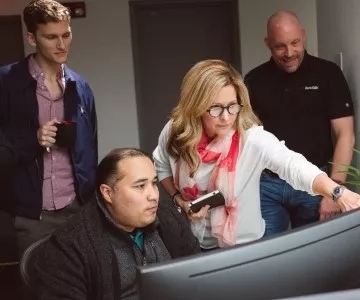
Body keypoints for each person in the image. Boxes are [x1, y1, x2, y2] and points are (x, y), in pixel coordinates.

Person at [153, 59, 360, 250]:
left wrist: (337, 192)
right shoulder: (175, 132)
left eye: (232, 106)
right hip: (192, 243)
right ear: (195, 107)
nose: (226, 117)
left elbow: (293, 165)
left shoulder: (251, 139)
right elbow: (161, 165)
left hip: (243, 246)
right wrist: (179, 198)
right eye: (215, 108)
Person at [28, 148, 200, 300]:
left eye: (153, 183)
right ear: (108, 193)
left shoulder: (170, 218)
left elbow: (200, 275)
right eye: (140, 186)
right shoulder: (68, 246)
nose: (153, 195)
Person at [244, 10, 355, 236]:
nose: (289, 53)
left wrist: (333, 190)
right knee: (263, 254)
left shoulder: (328, 74)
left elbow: (346, 134)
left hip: (315, 182)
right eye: (280, 46)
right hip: (268, 185)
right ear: (267, 44)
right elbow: (245, 138)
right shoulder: (254, 80)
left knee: (315, 256)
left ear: (303, 36)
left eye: (295, 43)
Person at [0, 0, 98, 257]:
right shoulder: (6, 84)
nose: (61, 45)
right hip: (32, 216)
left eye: (66, 35)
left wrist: (88, 202)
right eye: (51, 37)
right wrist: (33, 139)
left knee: (82, 289)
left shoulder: (81, 87)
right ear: (31, 38)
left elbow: (90, 148)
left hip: (77, 209)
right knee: (38, 291)